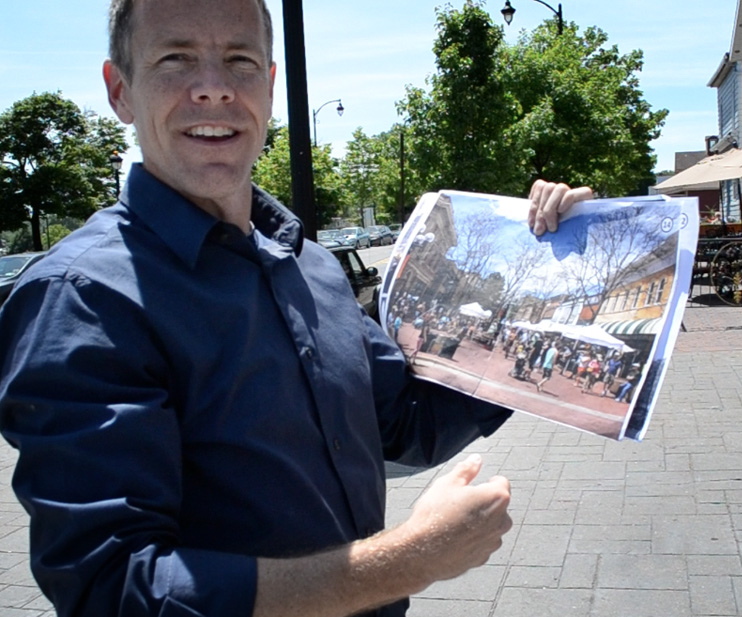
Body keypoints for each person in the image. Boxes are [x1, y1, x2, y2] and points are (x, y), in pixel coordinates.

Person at [0, 1, 594, 616]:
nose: (214, 89)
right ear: (120, 91)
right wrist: (411, 558)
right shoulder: (82, 298)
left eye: (240, 61)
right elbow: (114, 589)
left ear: (270, 84)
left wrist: (552, 276)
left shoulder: (307, 265)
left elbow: (405, 422)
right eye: (175, 59)